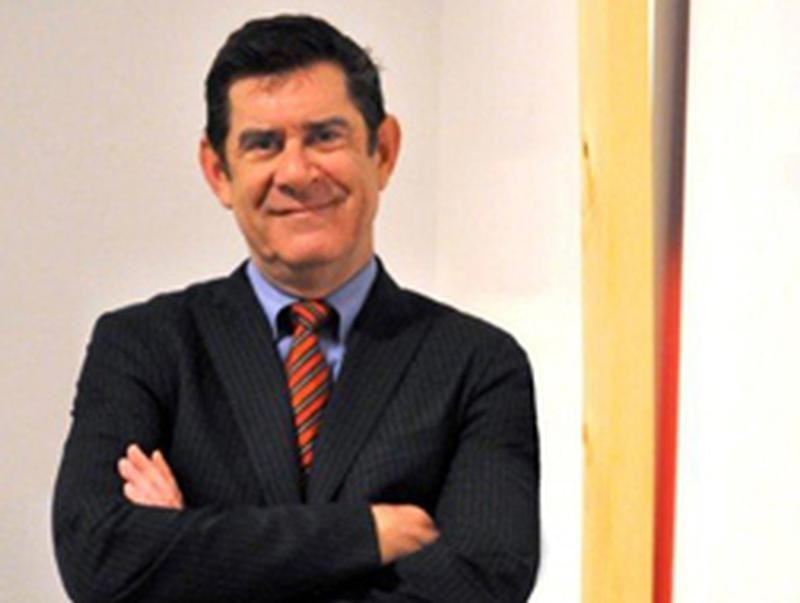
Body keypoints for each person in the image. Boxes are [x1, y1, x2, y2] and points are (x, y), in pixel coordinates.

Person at [52, 14, 539, 603]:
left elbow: (482, 584)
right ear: (218, 172)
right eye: (263, 144)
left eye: (325, 136)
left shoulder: (476, 365)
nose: (297, 172)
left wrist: (191, 552)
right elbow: (99, 557)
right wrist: (365, 534)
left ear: (383, 151)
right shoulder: (144, 347)